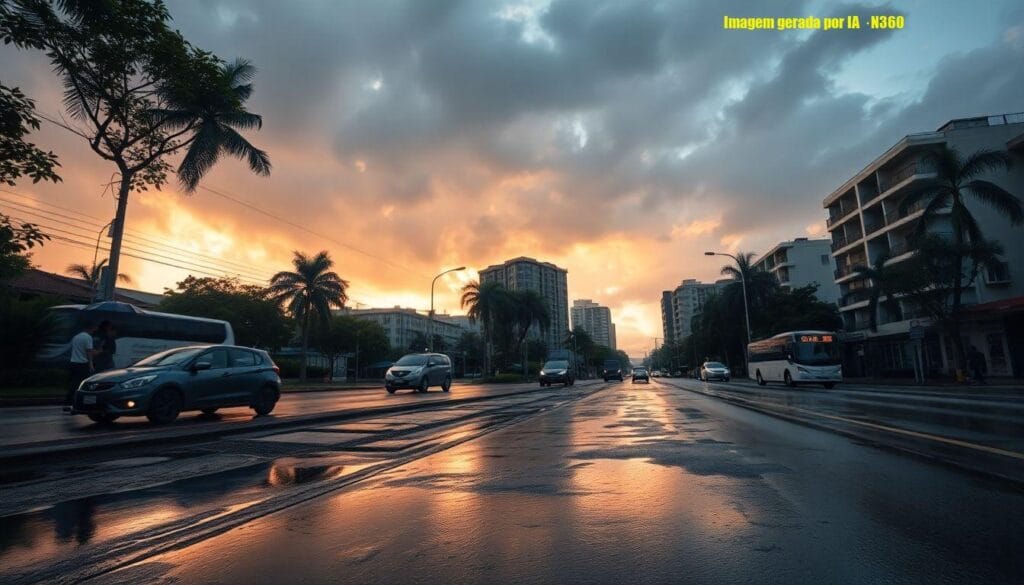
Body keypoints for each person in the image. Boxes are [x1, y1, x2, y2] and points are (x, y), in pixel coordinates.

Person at [65, 322, 100, 409]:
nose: (96, 330)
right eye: (95, 327)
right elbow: (89, 352)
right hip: (82, 364)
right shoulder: (88, 337)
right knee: (84, 384)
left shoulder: (76, 337)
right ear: (91, 328)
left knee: (73, 383)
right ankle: (82, 402)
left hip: (73, 362)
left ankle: (69, 401)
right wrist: (91, 365)